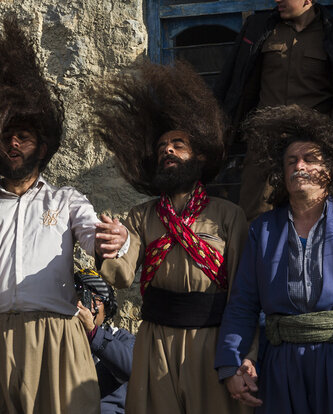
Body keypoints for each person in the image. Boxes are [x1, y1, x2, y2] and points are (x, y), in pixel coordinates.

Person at [0, 16, 127, 414]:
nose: (14, 143)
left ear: (41, 149)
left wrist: (114, 240)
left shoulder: (66, 200)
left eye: (24, 136)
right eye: (7, 135)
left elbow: (93, 235)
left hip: (57, 338)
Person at [92, 61, 252, 414]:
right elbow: (120, 274)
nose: (168, 150)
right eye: (163, 146)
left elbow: (244, 290)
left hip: (212, 340)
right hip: (156, 341)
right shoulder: (140, 216)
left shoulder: (228, 215)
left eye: (179, 145)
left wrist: (241, 352)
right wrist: (112, 244)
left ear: (201, 155)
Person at [214, 105, 333, 413]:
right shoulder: (263, 230)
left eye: (310, 159)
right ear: (281, 174)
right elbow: (243, 304)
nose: (300, 166)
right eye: (291, 161)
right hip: (281, 368)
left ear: (330, 170)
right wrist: (231, 363)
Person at [214, 0, 333, 221]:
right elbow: (237, 84)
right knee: (256, 217)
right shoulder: (259, 28)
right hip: (264, 146)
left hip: (311, 148)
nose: (277, 1)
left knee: (311, 215)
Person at [74, 269, 135, 414]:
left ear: (107, 309)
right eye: (81, 297)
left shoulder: (121, 337)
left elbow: (130, 367)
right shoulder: (59, 339)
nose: (85, 304)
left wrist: (92, 331)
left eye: (95, 299)